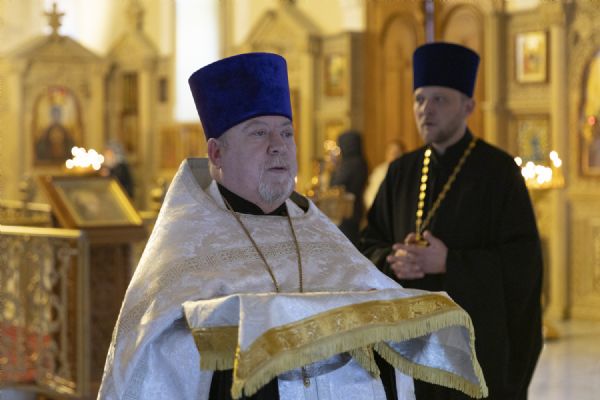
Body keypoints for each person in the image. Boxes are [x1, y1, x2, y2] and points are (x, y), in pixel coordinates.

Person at [97, 53, 487, 400]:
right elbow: (152, 359)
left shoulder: (317, 231)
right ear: (216, 152)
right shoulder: (185, 245)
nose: (278, 145)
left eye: (286, 132)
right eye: (258, 132)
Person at [359, 42, 543, 400]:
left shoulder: (498, 172)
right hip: (407, 351)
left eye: (439, 99)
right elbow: (367, 246)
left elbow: (523, 265)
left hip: (475, 356)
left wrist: (450, 263)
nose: (426, 109)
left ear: (468, 107)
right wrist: (393, 260)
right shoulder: (400, 172)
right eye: (419, 99)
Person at [329, 130, 368, 245]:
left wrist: (335, 167)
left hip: (347, 210)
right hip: (357, 207)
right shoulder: (361, 161)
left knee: (347, 242)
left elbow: (336, 183)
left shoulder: (350, 163)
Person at [363, 139, 404, 210]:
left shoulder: (407, 171)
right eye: (391, 153)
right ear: (387, 154)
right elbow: (370, 195)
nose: (394, 156)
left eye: (397, 153)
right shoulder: (379, 172)